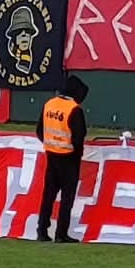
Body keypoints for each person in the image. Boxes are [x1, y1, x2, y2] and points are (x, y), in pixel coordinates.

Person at [36, 74, 90, 243]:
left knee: (48, 196)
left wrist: (52, 145)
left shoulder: (49, 104)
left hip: (51, 156)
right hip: (69, 159)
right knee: (67, 198)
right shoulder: (74, 109)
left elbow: (39, 130)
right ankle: (61, 233)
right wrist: (76, 155)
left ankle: (42, 231)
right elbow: (78, 137)